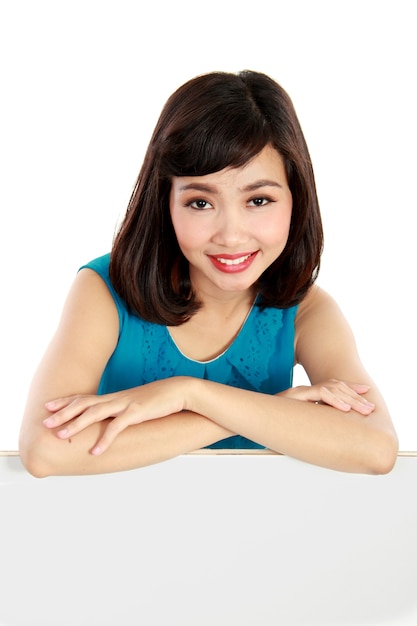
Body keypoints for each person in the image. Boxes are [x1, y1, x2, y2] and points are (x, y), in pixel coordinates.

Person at [19, 70, 398, 477]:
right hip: (119, 526)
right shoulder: (103, 290)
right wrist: (260, 412)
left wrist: (188, 393)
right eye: (201, 203)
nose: (232, 236)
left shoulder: (306, 311)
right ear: (166, 202)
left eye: (259, 199)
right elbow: (45, 451)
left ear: (296, 199)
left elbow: (374, 448)